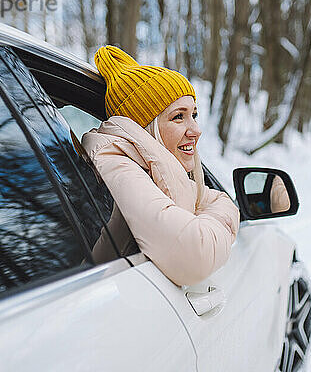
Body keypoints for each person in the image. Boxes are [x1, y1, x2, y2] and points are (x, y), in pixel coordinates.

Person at [81, 45, 239, 287]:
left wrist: (208, 218)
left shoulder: (154, 169)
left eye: (194, 115)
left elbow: (217, 199)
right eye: (179, 116)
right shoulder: (119, 164)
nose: (196, 130)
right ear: (144, 127)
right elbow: (196, 254)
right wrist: (212, 221)